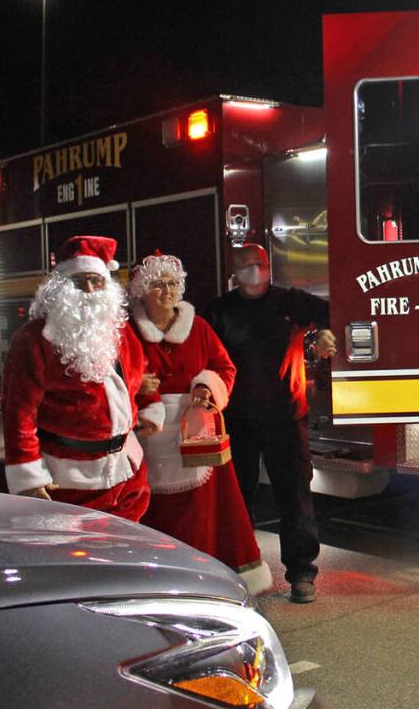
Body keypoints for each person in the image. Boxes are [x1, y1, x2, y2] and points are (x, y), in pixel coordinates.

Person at [128, 252, 271, 594]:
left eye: (173, 284)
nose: (167, 291)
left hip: (197, 436)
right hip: (146, 435)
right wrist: (135, 384)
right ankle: (155, 581)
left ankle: (206, 580)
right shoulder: (125, 332)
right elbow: (109, 377)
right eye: (159, 284)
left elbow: (225, 369)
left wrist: (205, 389)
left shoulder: (200, 328)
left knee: (205, 514)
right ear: (142, 290)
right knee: (151, 511)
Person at [204, 243, 336, 604]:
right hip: (237, 421)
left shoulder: (290, 302)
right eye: (246, 265)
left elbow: (335, 313)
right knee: (238, 501)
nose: (254, 270)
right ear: (234, 270)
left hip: (286, 418)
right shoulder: (219, 311)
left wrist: (323, 333)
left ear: (269, 266)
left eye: (259, 264)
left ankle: (302, 574)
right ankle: (238, 572)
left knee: (294, 497)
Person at [1, 235, 153, 520]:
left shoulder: (122, 333)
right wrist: (29, 476)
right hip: (66, 480)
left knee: (124, 554)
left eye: (97, 281)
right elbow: (18, 413)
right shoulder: (33, 339)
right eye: (80, 281)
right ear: (60, 289)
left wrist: (149, 402)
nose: (90, 290)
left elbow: (138, 377)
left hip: (126, 473)